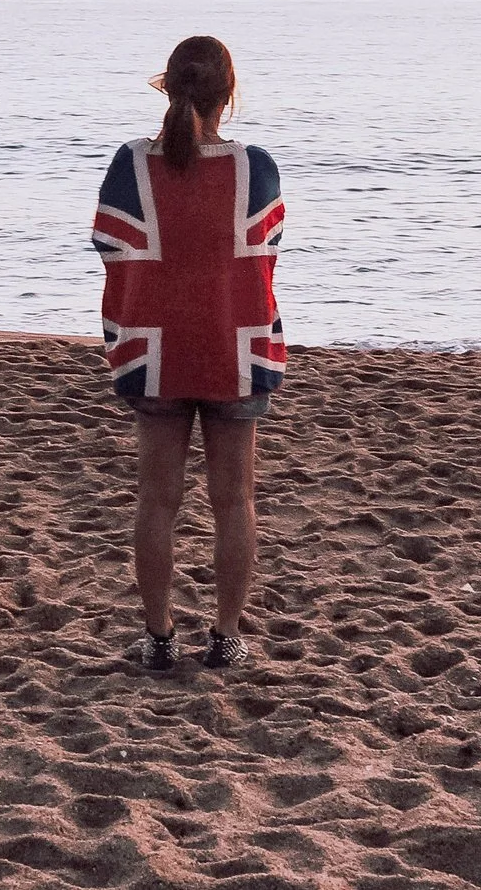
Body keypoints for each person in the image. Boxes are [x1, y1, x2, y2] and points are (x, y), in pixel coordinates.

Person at [93, 36, 285, 673]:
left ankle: (159, 639)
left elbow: (109, 246)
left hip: (155, 352)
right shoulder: (256, 168)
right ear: (229, 94)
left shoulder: (131, 165)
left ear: (168, 87)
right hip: (236, 346)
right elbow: (266, 249)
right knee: (235, 501)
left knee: (157, 501)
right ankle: (226, 637)